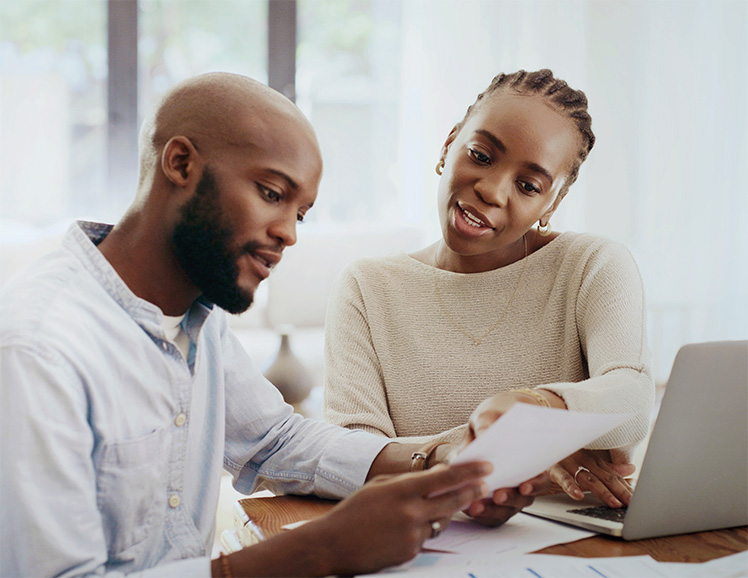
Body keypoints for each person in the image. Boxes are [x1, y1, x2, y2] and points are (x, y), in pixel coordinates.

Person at [0, 72, 522, 578]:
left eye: (301, 213)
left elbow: (273, 438)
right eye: (273, 194)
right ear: (180, 163)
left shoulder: (196, 312)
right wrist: (319, 549)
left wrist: (437, 462)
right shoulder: (38, 350)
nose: (288, 234)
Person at [323, 69, 655, 520]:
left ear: (552, 204)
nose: (491, 190)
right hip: (423, 548)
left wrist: (536, 408)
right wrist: (526, 450)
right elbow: (352, 457)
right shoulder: (366, 288)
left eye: (529, 186)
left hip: (568, 551)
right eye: (480, 155)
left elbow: (632, 399)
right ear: (449, 144)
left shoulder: (591, 264)